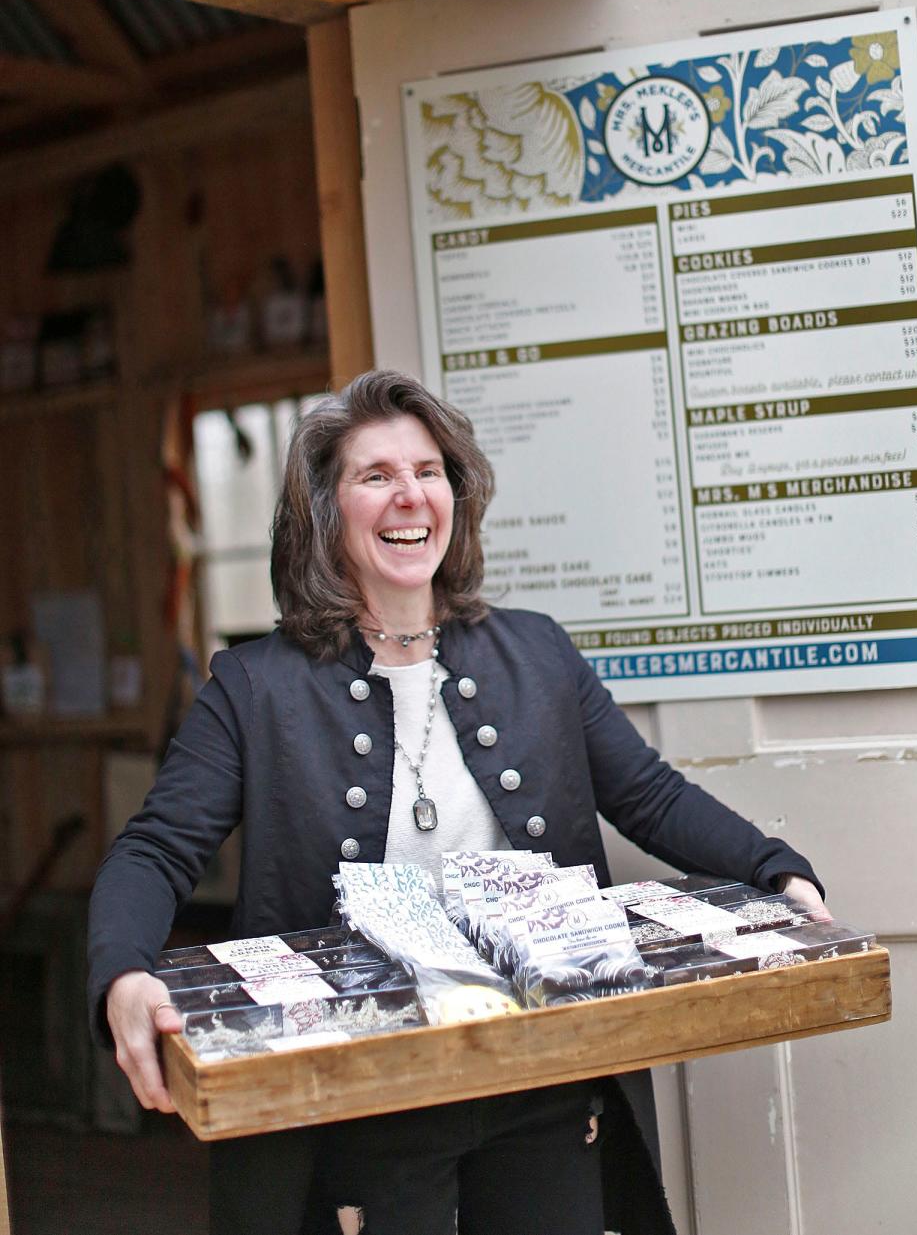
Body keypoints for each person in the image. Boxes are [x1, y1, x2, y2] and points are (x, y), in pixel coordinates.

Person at [88, 369, 828, 1235]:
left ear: (455, 494)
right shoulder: (254, 687)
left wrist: (775, 869)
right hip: (363, 1102)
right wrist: (124, 972)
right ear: (326, 511)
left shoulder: (538, 652)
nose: (410, 495)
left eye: (429, 470)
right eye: (375, 475)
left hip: (541, 1084)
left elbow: (650, 794)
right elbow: (156, 847)